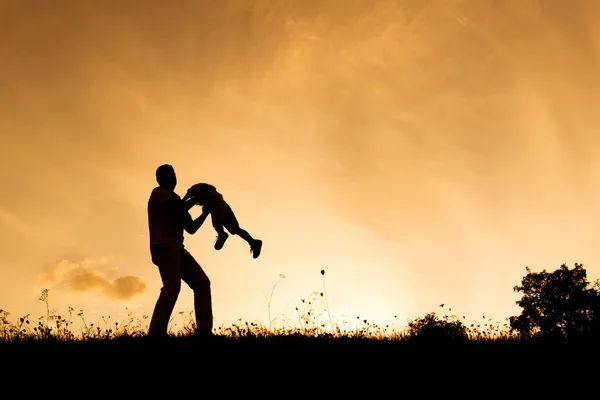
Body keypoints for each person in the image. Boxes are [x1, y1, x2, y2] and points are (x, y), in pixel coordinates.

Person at [147, 164, 212, 338]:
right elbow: (176, 210)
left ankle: (205, 333)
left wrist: (206, 212)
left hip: (176, 249)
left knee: (202, 283)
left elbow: (190, 227)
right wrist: (194, 198)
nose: (173, 178)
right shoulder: (159, 192)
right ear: (160, 179)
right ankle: (155, 333)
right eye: (169, 175)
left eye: (174, 174)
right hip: (164, 247)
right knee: (172, 287)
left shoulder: (176, 199)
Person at [183, 183, 263, 259]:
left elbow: (188, 200)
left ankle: (222, 234)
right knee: (235, 229)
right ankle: (253, 242)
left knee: (217, 223)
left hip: (217, 206)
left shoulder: (210, 197)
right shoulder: (209, 195)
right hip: (224, 206)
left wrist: (184, 201)